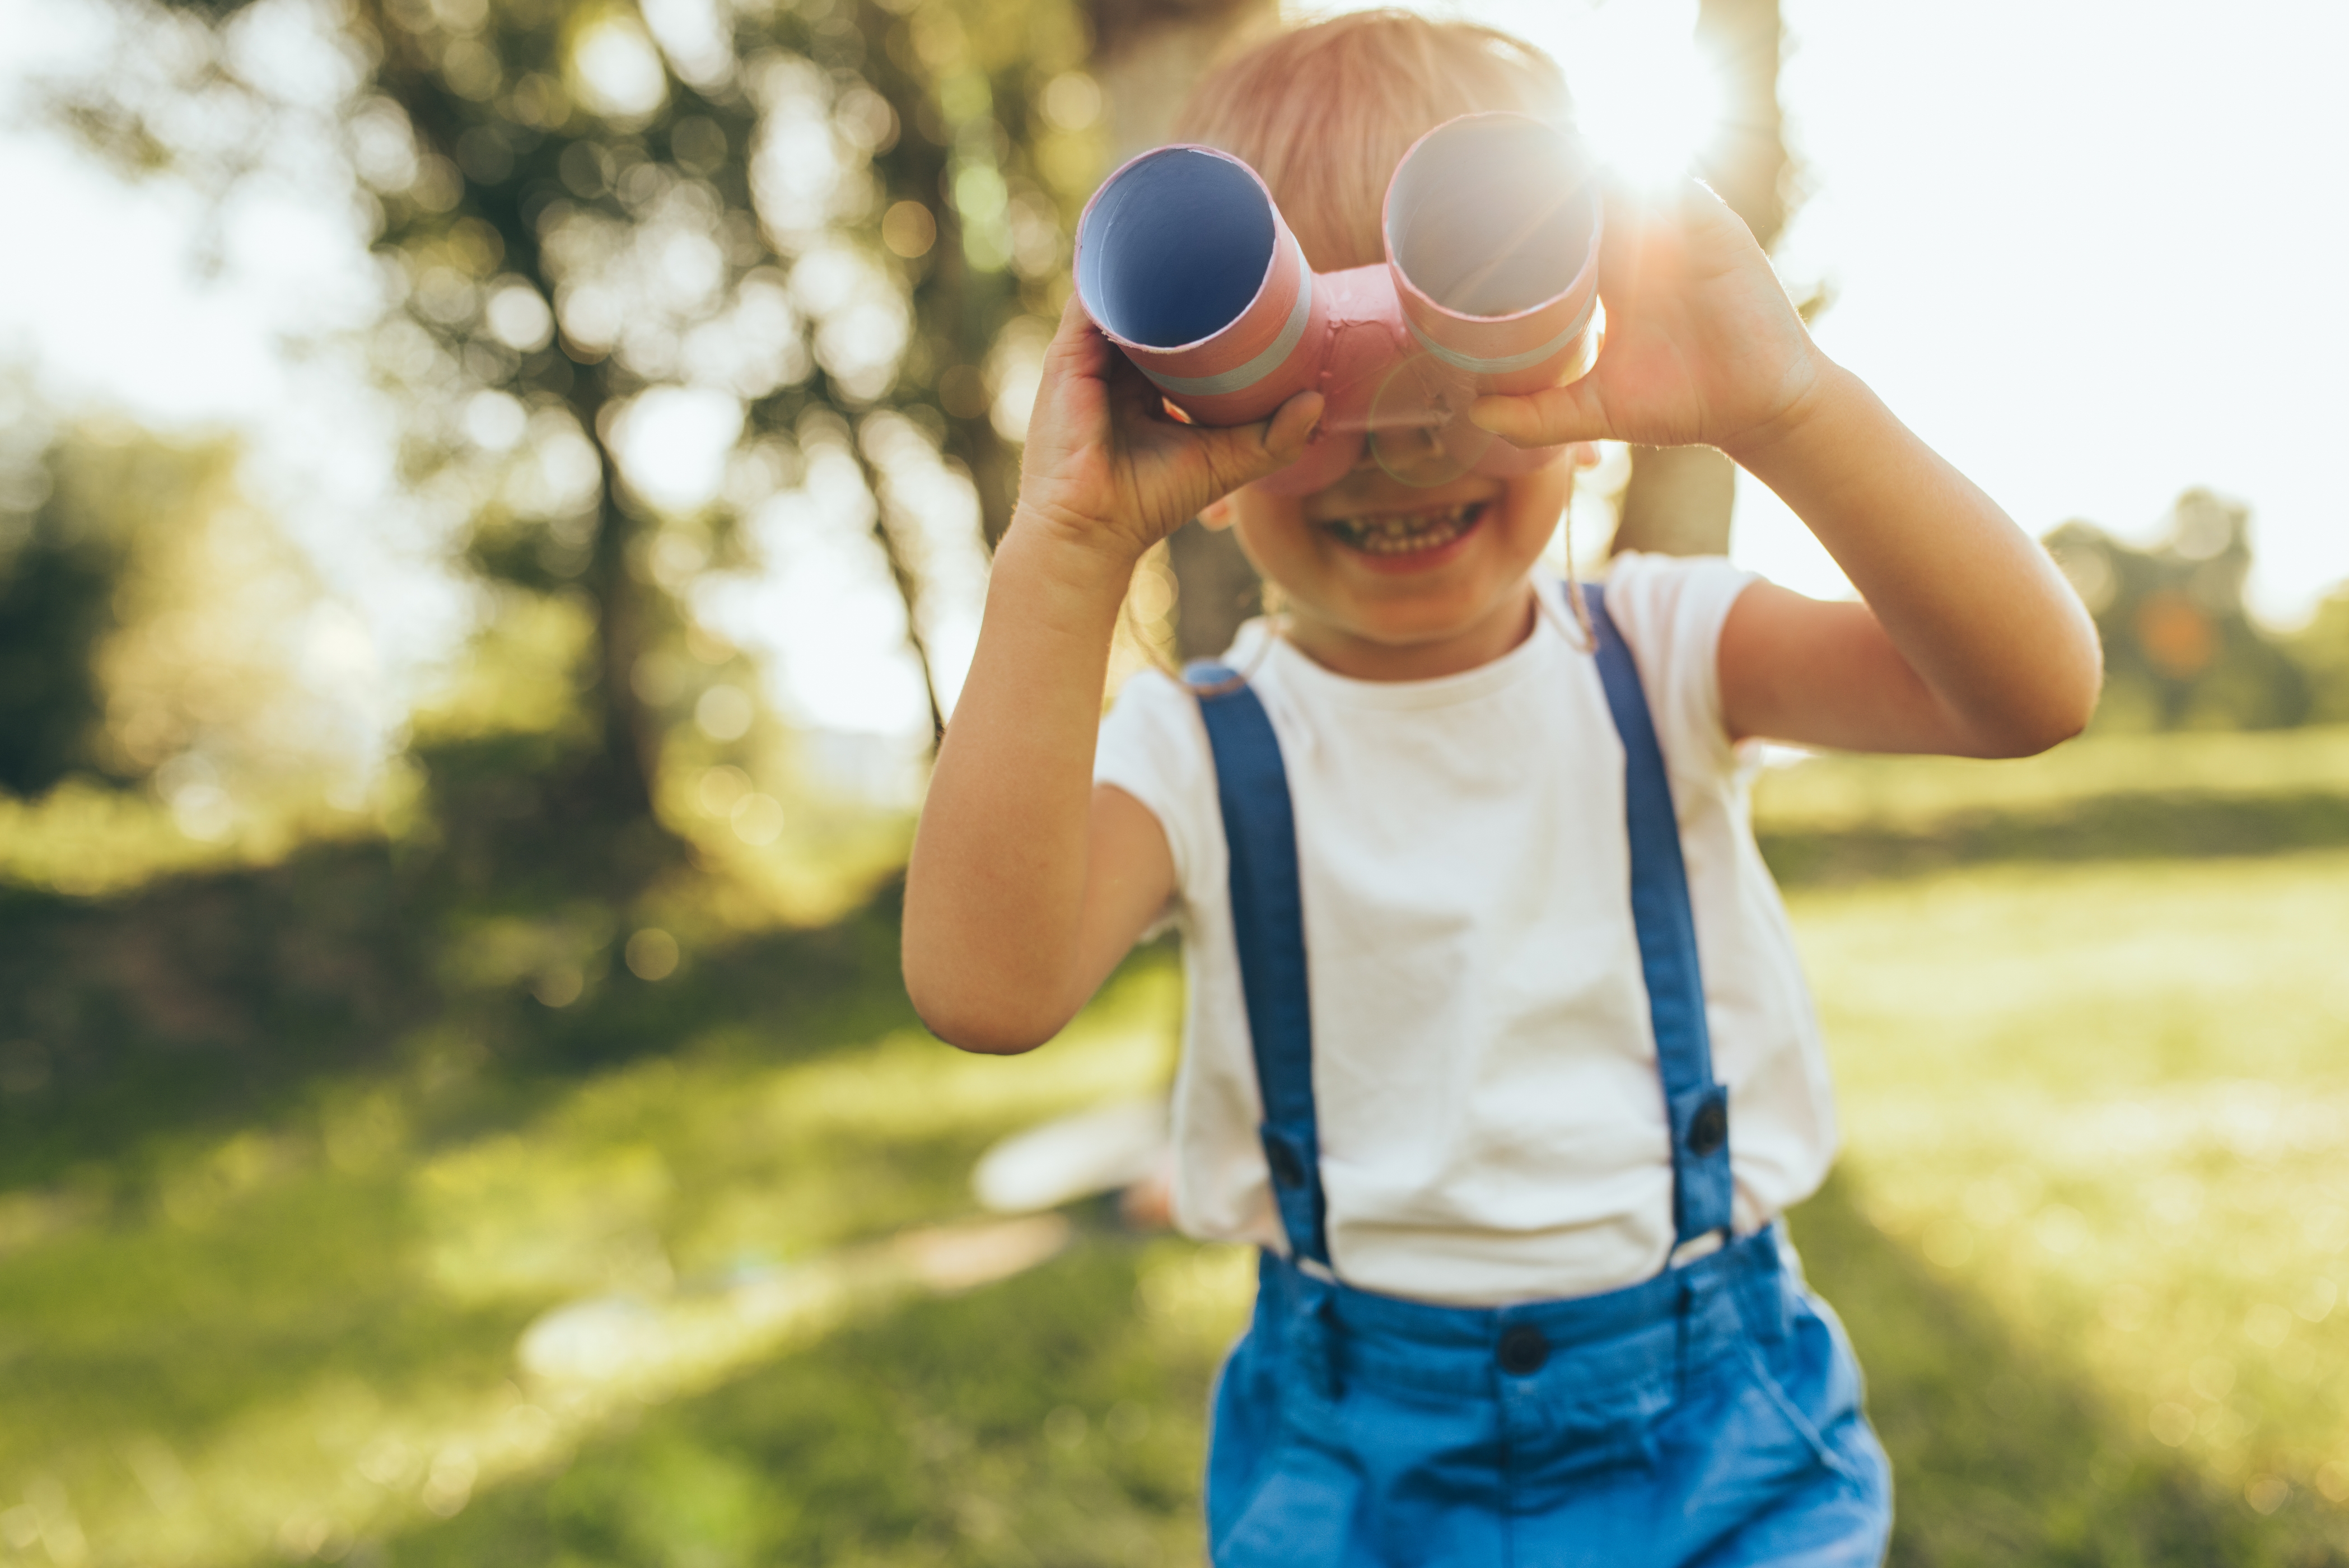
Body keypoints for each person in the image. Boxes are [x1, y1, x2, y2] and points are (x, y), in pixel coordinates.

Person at [900, 11, 2101, 1564]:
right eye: (1304, 393)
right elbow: (983, 989)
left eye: (1453, 338)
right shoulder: (1192, 750)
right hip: (1353, 1465)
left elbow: (2027, 693)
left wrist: (1781, 400)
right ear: (1181, 402)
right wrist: (1062, 549)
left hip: (1715, 1431)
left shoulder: (1668, 645)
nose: (1396, 445)